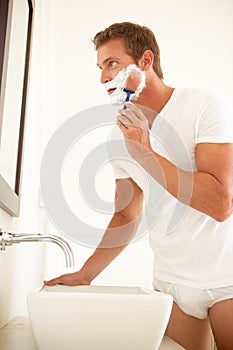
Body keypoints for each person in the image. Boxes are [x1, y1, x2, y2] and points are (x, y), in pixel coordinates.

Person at [44, 22, 233, 350]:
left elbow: (220, 203)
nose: (103, 77)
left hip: (226, 277)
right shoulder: (118, 136)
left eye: (112, 64)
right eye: (101, 67)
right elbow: (126, 216)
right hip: (171, 284)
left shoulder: (202, 105)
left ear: (146, 61)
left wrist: (145, 153)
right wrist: (86, 274)